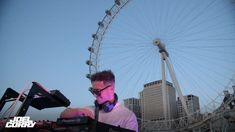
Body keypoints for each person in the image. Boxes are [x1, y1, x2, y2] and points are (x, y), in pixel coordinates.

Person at [60, 70, 138, 132]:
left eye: (97, 91)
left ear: (111, 89)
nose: (94, 95)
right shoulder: (89, 110)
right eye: (93, 91)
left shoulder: (128, 116)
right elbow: (63, 115)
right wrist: (78, 112)